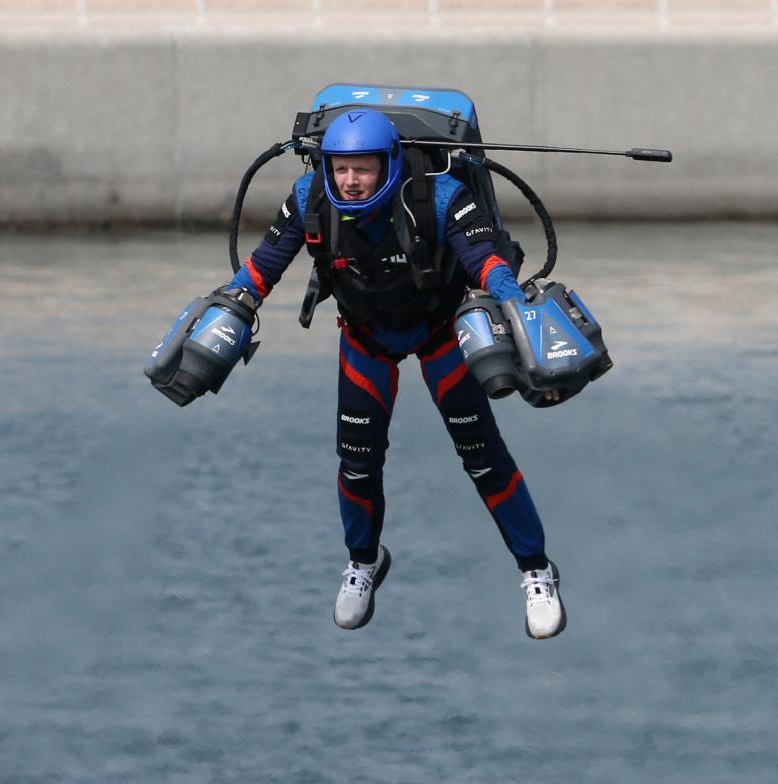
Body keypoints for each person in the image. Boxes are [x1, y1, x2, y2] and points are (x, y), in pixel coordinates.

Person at [223, 108, 564, 638]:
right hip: (366, 337)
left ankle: (536, 571)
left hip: (442, 333)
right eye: (341, 169)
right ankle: (363, 563)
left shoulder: (442, 194)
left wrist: (513, 301)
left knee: (483, 460)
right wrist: (232, 302)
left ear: (389, 163)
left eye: (363, 169)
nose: (350, 181)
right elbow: (266, 262)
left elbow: (484, 258)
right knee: (356, 464)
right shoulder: (310, 194)